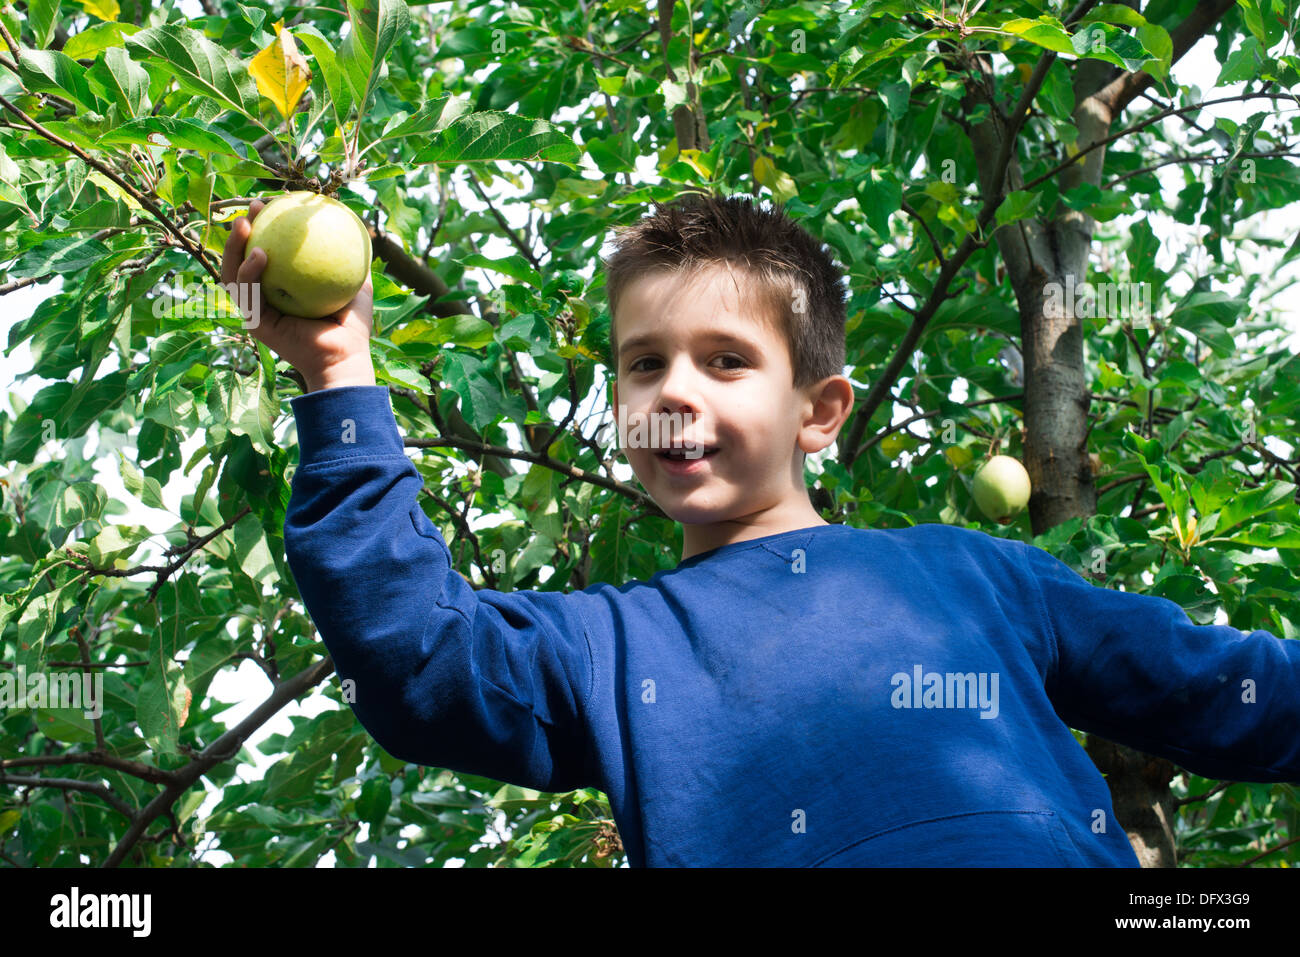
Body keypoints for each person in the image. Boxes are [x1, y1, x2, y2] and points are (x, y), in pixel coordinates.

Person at [221, 191, 1300, 867]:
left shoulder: (971, 575)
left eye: (726, 360)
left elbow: (1222, 685)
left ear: (817, 412)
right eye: (643, 364)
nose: (676, 392)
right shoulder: (607, 648)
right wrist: (336, 373)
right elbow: (418, 658)